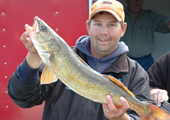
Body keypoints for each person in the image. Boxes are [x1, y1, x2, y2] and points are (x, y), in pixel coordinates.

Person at [8, 0, 155, 120]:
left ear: (123, 29)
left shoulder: (136, 73)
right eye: (97, 24)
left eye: (111, 25)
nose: (104, 32)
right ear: (88, 26)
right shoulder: (61, 57)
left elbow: (142, 115)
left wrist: (122, 118)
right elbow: (24, 98)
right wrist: (33, 56)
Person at [120, 0, 170, 71]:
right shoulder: (120, 16)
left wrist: (168, 23)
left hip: (146, 62)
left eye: (140, 0)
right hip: (122, 60)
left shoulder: (150, 16)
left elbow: (163, 22)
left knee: (149, 81)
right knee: (121, 81)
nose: (137, 2)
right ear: (127, 1)